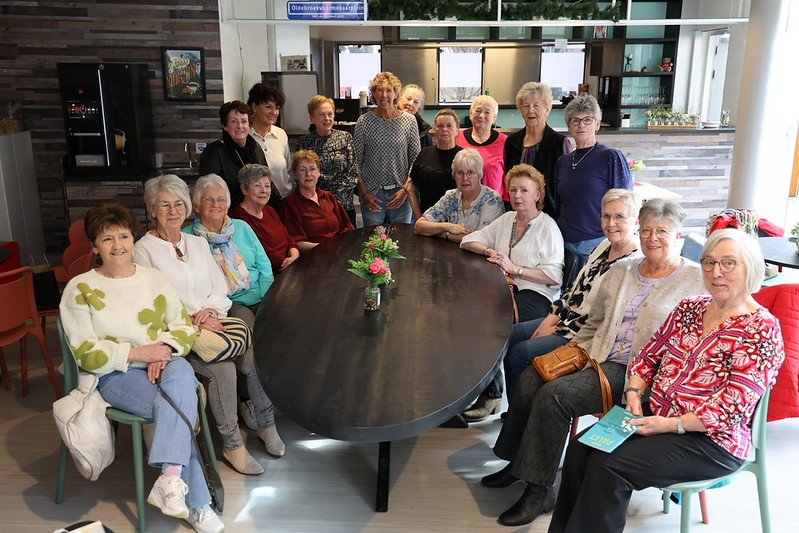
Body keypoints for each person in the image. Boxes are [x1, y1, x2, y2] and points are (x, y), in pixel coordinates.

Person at [482, 199, 704, 528]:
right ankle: (519, 464)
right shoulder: (623, 270)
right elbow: (593, 322)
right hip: (597, 354)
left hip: (637, 376)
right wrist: (572, 351)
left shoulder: (696, 280)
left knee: (554, 394)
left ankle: (539, 490)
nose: (652, 238)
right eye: (646, 230)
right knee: (530, 376)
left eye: (662, 231)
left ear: (679, 235)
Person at [549, 229, 786, 533]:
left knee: (608, 466)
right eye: (709, 262)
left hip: (710, 441)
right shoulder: (691, 307)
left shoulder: (761, 329)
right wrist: (634, 392)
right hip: (656, 416)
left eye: (729, 263)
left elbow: (732, 409)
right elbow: (648, 356)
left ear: (750, 268)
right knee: (583, 448)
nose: (716, 272)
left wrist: (670, 425)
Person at [60, 203, 224, 533]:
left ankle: (170, 479)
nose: (118, 246)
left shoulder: (154, 279)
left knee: (181, 376)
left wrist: (162, 351)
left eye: (123, 236)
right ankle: (198, 504)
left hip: (166, 363)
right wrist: (139, 354)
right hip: (115, 374)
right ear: (94, 246)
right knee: (178, 408)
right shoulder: (80, 289)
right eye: (107, 239)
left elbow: (182, 326)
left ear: (133, 239)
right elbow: (86, 354)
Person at [135, 174, 284, 473]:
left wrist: (211, 312)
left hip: (214, 322)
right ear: (152, 209)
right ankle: (232, 445)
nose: (173, 211)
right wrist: (191, 319)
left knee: (252, 346)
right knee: (223, 370)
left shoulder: (197, 243)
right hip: (179, 334)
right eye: (165, 205)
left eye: (179, 204)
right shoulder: (143, 251)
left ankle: (267, 423)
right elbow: (150, 304)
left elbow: (220, 287)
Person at [503, 189, 641, 395]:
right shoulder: (604, 245)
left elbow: (605, 317)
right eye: (606, 216)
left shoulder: (634, 263)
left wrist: (556, 330)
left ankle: (528, 413)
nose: (611, 223)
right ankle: (516, 410)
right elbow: (573, 289)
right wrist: (550, 320)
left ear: (636, 222)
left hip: (584, 335)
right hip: (565, 321)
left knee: (520, 353)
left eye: (619, 217)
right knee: (506, 336)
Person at [186, 175, 285, 458]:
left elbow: (264, 265)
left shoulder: (241, 227)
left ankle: (285, 403)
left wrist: (268, 301)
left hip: (261, 298)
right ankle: (267, 422)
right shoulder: (191, 239)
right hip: (230, 307)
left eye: (220, 199)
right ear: (196, 205)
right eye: (208, 199)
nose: (215, 205)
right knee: (253, 349)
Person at [460, 164, 564, 421]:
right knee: (469, 323)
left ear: (537, 194)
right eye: (513, 190)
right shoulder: (506, 219)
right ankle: (493, 394)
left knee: (494, 333)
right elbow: (468, 240)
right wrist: (489, 252)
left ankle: (499, 398)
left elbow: (553, 278)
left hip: (535, 295)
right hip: (503, 290)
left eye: (524, 191)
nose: (517, 196)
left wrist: (515, 268)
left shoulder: (548, 227)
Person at [555, 95, 633, 289]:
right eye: (575, 120)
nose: (581, 125)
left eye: (587, 120)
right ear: (569, 126)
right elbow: (560, 203)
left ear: (597, 124)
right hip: (565, 247)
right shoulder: (563, 162)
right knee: (566, 303)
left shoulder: (610, 156)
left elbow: (625, 204)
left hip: (597, 245)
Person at [354, 71, 421, 227]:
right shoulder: (363, 122)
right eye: (379, 90)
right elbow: (355, 162)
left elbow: (416, 160)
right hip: (372, 194)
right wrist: (364, 194)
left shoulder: (409, 121)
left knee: (402, 242)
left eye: (389, 90)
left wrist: (405, 190)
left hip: (400, 193)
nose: (384, 95)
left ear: (396, 94)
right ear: (373, 94)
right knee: (373, 243)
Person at [504, 82, 573, 218]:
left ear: (547, 109)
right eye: (526, 106)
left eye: (536, 106)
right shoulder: (512, 142)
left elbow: (566, 188)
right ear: (520, 110)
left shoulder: (560, 143)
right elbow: (509, 181)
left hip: (550, 217)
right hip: (519, 216)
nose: (530, 111)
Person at [414, 148, 504, 242]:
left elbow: (481, 239)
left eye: (470, 173)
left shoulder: (492, 200)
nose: (465, 178)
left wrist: (445, 235)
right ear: (454, 175)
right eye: (460, 173)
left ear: (480, 174)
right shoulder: (451, 197)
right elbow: (419, 226)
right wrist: (447, 226)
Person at [296, 95, 359, 225]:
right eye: (321, 115)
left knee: (349, 243)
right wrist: (321, 199)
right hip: (315, 205)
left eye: (330, 114)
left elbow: (353, 172)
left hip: (343, 205)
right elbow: (301, 175)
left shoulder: (345, 137)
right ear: (312, 118)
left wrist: (334, 200)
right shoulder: (304, 142)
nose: (327, 119)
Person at [229, 164, 300, 273]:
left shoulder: (270, 210)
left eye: (267, 186)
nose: (264, 191)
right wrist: (290, 263)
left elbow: (288, 238)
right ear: (244, 189)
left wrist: (295, 256)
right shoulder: (238, 218)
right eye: (257, 185)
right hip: (272, 273)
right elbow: (264, 253)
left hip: (291, 265)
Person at [279, 150, 354, 251]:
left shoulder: (328, 197)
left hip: (339, 253)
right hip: (313, 258)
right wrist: (328, 249)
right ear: (295, 175)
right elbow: (296, 242)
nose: (308, 174)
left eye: (312, 169)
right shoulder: (289, 204)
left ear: (319, 172)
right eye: (302, 170)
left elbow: (347, 228)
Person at [199, 100, 267, 207]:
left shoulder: (256, 148)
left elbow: (267, 181)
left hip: (255, 211)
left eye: (244, 121)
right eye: (234, 121)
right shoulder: (213, 152)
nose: (240, 126)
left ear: (250, 126)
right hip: (228, 216)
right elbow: (209, 194)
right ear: (225, 126)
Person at [406, 108, 463, 218]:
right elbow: (411, 187)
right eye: (440, 126)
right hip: (428, 221)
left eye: (449, 125)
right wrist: (419, 218)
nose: (444, 129)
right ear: (434, 129)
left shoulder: (464, 157)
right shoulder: (424, 154)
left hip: (457, 221)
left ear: (457, 130)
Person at [455, 95, 508, 202]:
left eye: (487, 112)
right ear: (470, 114)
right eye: (477, 111)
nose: (481, 115)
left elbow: (509, 177)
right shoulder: (456, 138)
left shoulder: (505, 142)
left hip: (494, 204)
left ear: (494, 118)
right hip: (461, 203)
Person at [247, 83, 292, 203]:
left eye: (277, 108)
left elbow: (288, 170)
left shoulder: (281, 135)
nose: (274, 112)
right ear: (254, 107)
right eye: (268, 107)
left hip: (283, 201)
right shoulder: (245, 137)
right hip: (256, 204)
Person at [398, 83, 432, 148]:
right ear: (399, 99)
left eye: (415, 102)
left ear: (418, 108)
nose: (410, 103)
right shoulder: (388, 120)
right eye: (408, 99)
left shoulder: (424, 131)